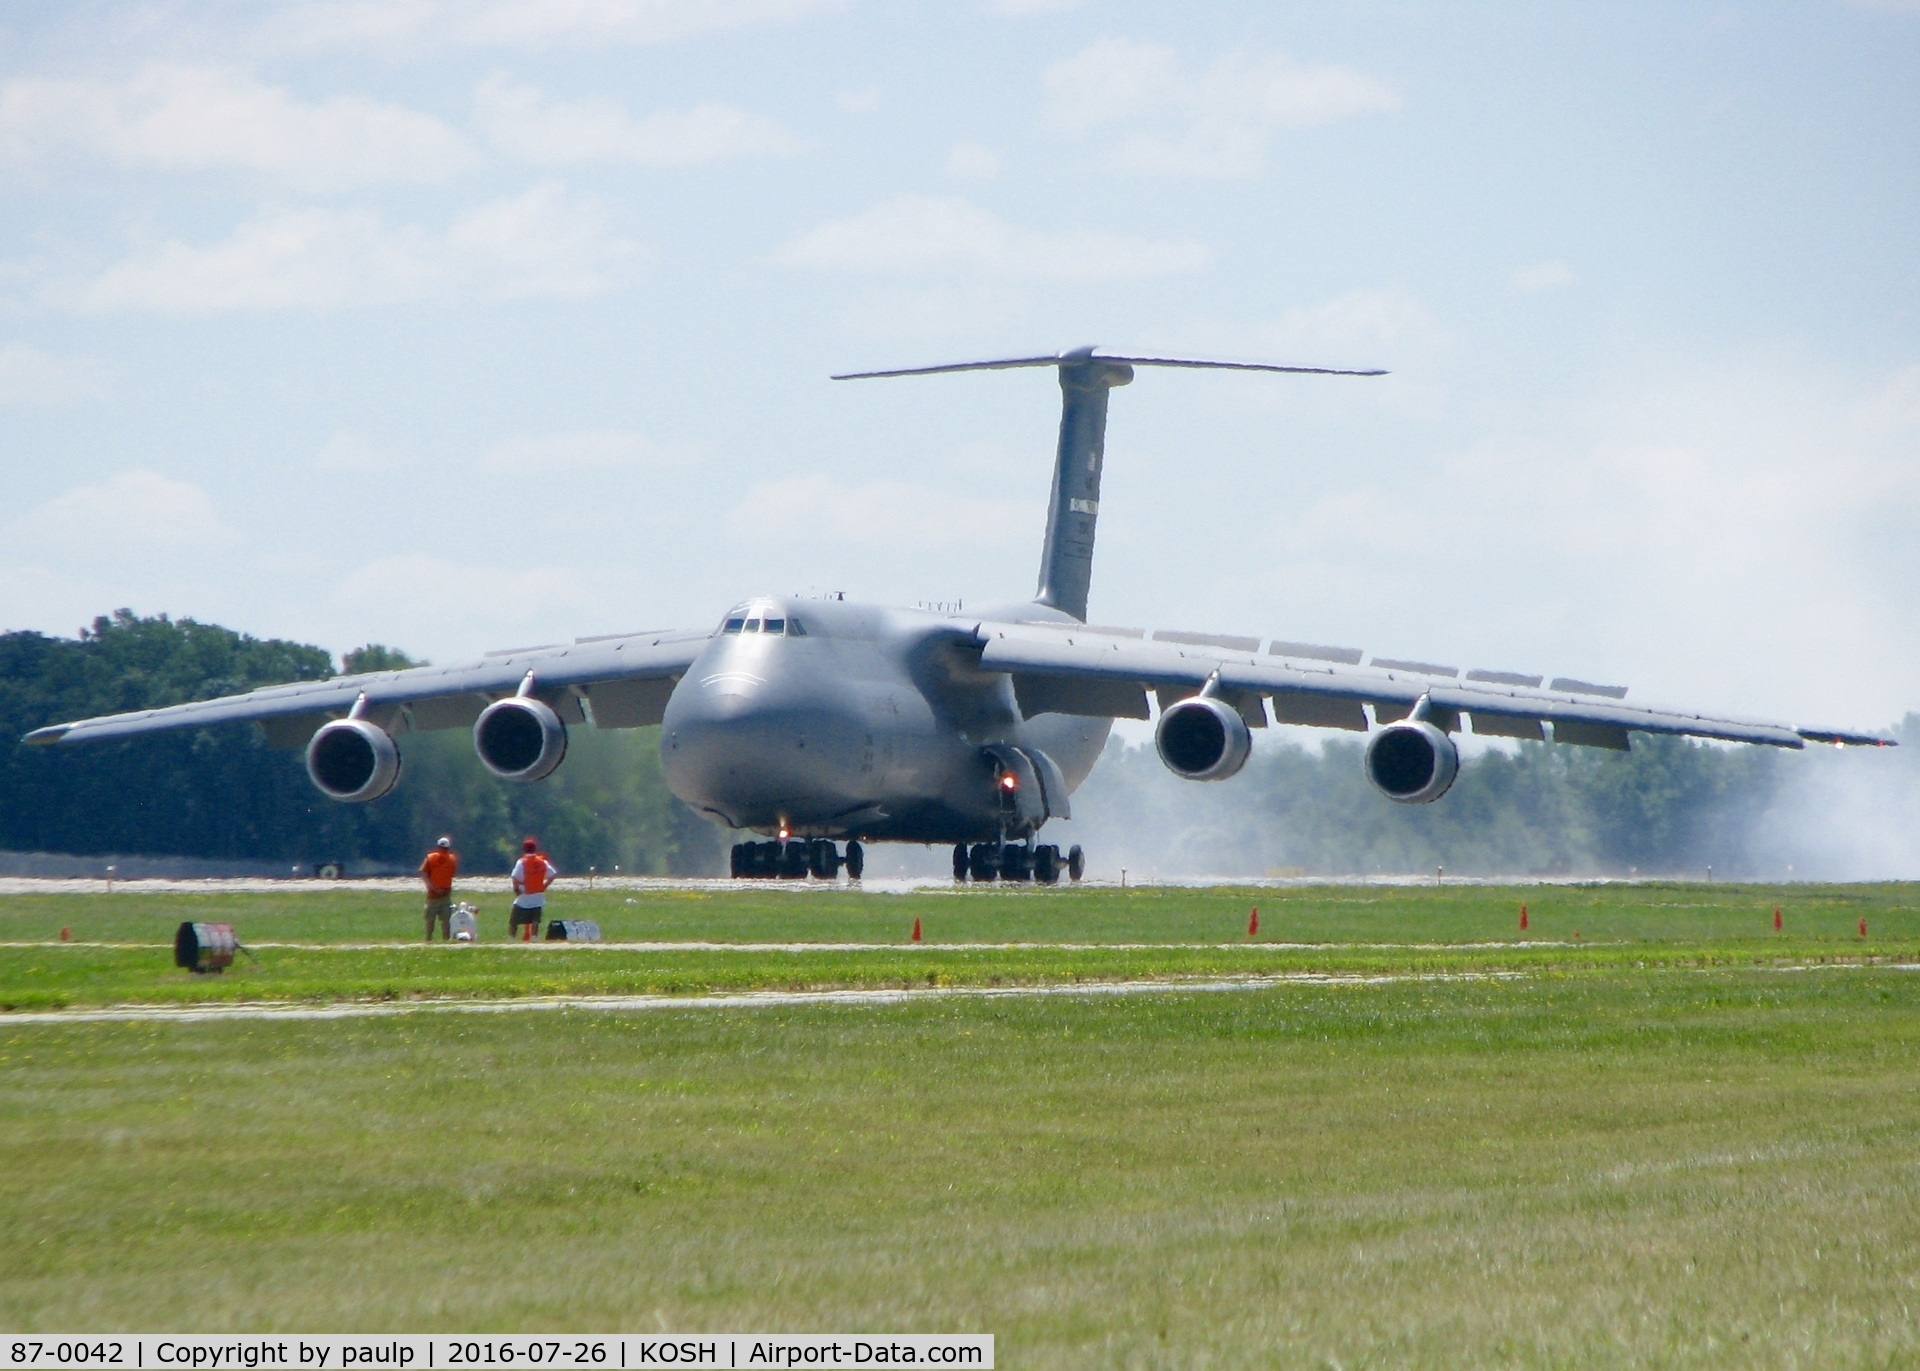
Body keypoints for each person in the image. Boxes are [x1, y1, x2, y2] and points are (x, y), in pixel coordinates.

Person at [509, 836, 557, 941]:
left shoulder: (522, 862)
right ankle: (534, 938)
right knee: (535, 920)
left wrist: (516, 890)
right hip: (538, 896)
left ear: (524, 849)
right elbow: (553, 874)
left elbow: (514, 876)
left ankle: (511, 939)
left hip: (524, 896)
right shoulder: (542, 862)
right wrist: (544, 886)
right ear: (535, 849)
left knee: (514, 921)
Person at [419, 836, 458, 942]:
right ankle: (445, 940)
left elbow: (423, 873)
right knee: (445, 920)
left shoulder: (430, 858)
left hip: (433, 894)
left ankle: (428, 939)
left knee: (430, 919)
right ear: (448, 848)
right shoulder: (452, 859)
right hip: (445, 893)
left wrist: (432, 887)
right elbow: (452, 874)